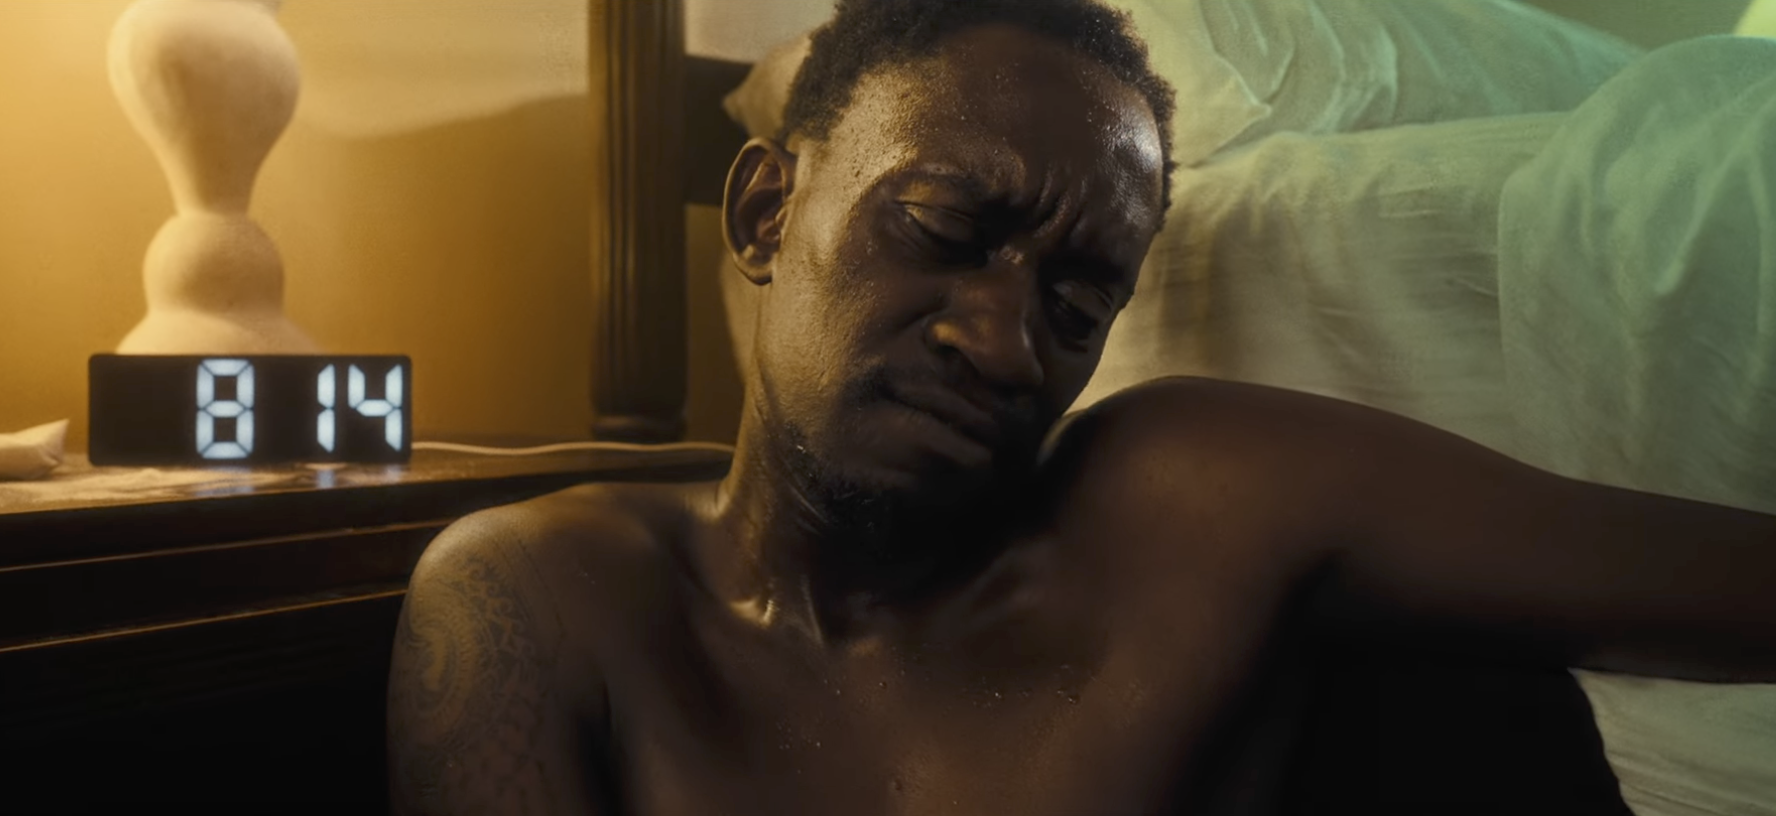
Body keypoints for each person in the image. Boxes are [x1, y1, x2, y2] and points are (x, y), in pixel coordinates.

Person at [386, 1, 1776, 813]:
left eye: (1078, 298)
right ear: (765, 214)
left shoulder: (1191, 502)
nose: (1004, 342)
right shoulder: (538, 600)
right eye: (943, 227)